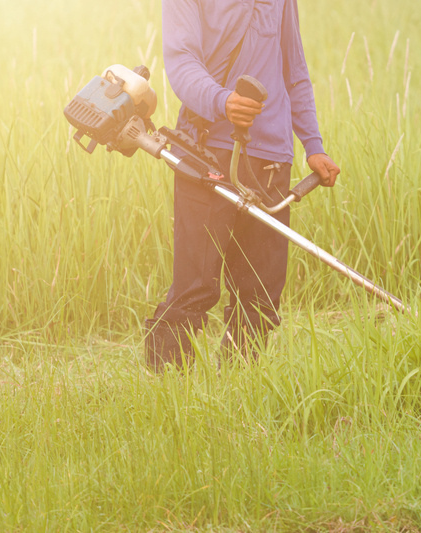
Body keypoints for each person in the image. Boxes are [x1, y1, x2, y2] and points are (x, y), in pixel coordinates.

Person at [145, 0, 340, 370]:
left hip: (272, 158)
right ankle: (168, 387)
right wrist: (222, 101)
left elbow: (294, 72)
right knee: (195, 285)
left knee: (261, 292)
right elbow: (182, 60)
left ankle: (240, 386)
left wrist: (313, 145)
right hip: (205, 152)